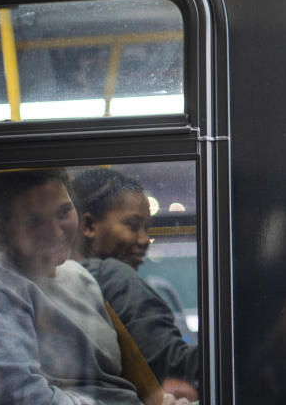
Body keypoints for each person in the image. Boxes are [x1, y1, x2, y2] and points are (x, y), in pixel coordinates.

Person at [0, 169, 145, 405]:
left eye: (63, 212)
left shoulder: (81, 277)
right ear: (2, 224)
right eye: (34, 221)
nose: (55, 231)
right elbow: (15, 397)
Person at [71, 168, 199, 396]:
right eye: (132, 226)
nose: (144, 240)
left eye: (146, 229)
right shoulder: (112, 277)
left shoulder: (58, 280)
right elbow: (177, 369)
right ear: (89, 226)